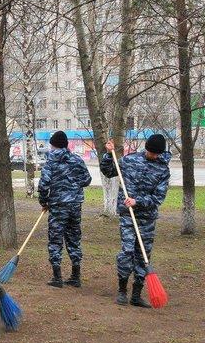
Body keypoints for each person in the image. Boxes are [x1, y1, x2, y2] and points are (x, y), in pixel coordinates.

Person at [100, 135, 170, 307]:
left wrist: (137, 201)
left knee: (143, 255)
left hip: (146, 218)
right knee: (127, 251)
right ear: (146, 148)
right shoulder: (130, 160)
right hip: (127, 215)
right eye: (150, 152)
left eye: (156, 154)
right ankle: (122, 291)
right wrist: (109, 154)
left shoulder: (163, 170)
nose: (152, 155)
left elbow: (158, 198)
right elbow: (109, 171)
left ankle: (137, 294)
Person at [38, 131, 92, 288]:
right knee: (74, 238)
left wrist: (44, 201)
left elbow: (43, 185)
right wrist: (73, 185)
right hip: (75, 206)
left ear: (53, 145)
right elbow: (87, 179)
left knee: (55, 240)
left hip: (58, 206)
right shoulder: (77, 160)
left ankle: (57, 277)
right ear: (66, 145)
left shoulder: (50, 161)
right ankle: (76, 276)